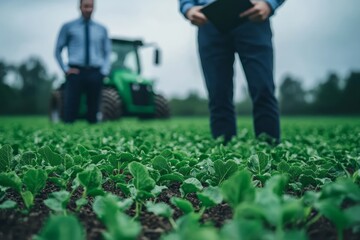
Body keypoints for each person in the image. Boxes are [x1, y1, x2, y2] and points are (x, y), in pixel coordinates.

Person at [179, 0, 285, 143]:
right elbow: (186, 3)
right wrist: (188, 8)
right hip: (209, 22)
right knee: (218, 93)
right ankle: (223, 151)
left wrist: (269, 4)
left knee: (262, 88)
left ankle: (270, 150)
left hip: (253, 17)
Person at [55, 0, 111, 124]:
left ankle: (93, 139)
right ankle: (67, 136)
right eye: (86, 6)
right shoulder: (68, 27)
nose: (88, 9)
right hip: (75, 72)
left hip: (95, 72)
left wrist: (104, 71)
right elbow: (57, 50)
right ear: (79, 7)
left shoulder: (102, 29)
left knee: (94, 109)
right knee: (70, 107)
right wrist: (65, 69)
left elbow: (107, 52)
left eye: (91, 6)